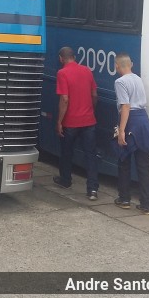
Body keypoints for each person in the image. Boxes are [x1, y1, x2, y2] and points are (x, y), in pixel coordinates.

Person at [113, 52, 149, 215]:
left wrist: (122, 130)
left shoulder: (120, 82)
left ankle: (124, 199)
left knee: (124, 161)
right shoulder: (138, 79)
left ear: (117, 66)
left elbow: (125, 106)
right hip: (144, 122)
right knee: (143, 165)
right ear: (130, 65)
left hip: (130, 121)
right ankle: (147, 205)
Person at [53, 46, 100, 200]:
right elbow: (94, 94)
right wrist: (90, 110)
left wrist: (59, 121)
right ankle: (92, 189)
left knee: (66, 153)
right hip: (89, 121)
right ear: (74, 56)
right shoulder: (87, 70)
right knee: (90, 155)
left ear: (61, 58)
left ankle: (65, 180)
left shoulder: (62, 73)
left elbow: (64, 99)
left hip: (71, 122)